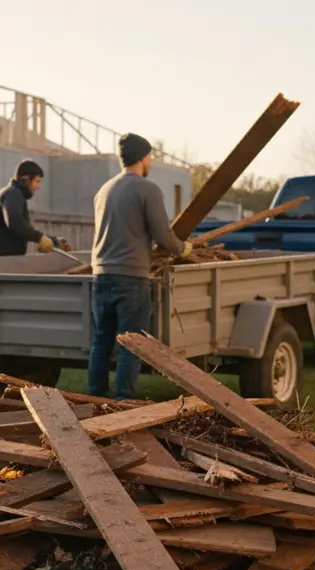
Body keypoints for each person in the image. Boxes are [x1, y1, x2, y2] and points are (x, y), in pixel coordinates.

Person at [87, 134, 193, 400]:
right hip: (131, 278)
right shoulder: (148, 190)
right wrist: (182, 249)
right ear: (144, 158)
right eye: (150, 158)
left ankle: (95, 397)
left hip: (100, 276)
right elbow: (162, 235)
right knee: (131, 343)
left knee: (101, 341)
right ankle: (124, 400)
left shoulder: (103, 190)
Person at [0, 160, 70, 257]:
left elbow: (23, 229)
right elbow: (14, 222)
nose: (38, 187)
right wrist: (40, 238)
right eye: (37, 181)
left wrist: (53, 241)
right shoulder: (13, 193)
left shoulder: (12, 193)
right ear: (26, 179)